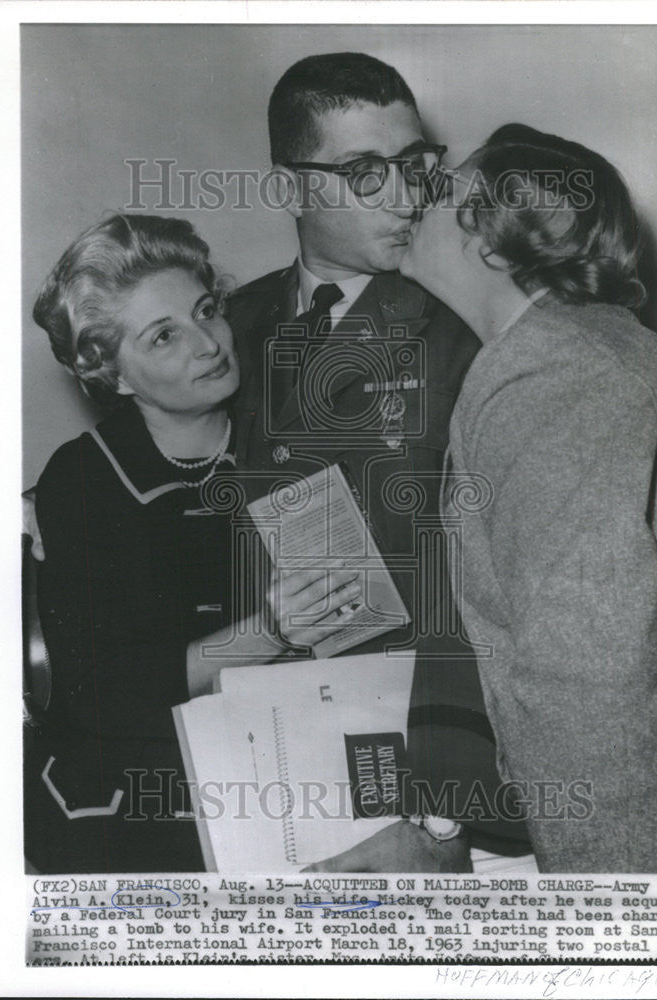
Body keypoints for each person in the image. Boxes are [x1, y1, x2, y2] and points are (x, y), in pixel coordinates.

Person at [227, 53, 532, 871]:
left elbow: (491, 587)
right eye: (365, 173)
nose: (405, 196)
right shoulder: (223, 329)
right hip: (252, 764)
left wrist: (439, 819)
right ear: (292, 188)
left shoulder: (472, 332)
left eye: (413, 166)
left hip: (418, 778)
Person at [394, 123, 657, 872]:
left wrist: (607, 923)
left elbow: (589, 678)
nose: (415, 201)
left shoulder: (553, 372)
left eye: (443, 191)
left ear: (495, 237)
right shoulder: (591, 348)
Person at [24, 213, 360, 873]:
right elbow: (100, 695)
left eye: (206, 311)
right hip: (131, 795)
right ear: (113, 374)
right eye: (164, 336)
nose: (207, 344)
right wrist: (269, 631)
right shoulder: (83, 478)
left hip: (283, 759)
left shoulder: (287, 438)